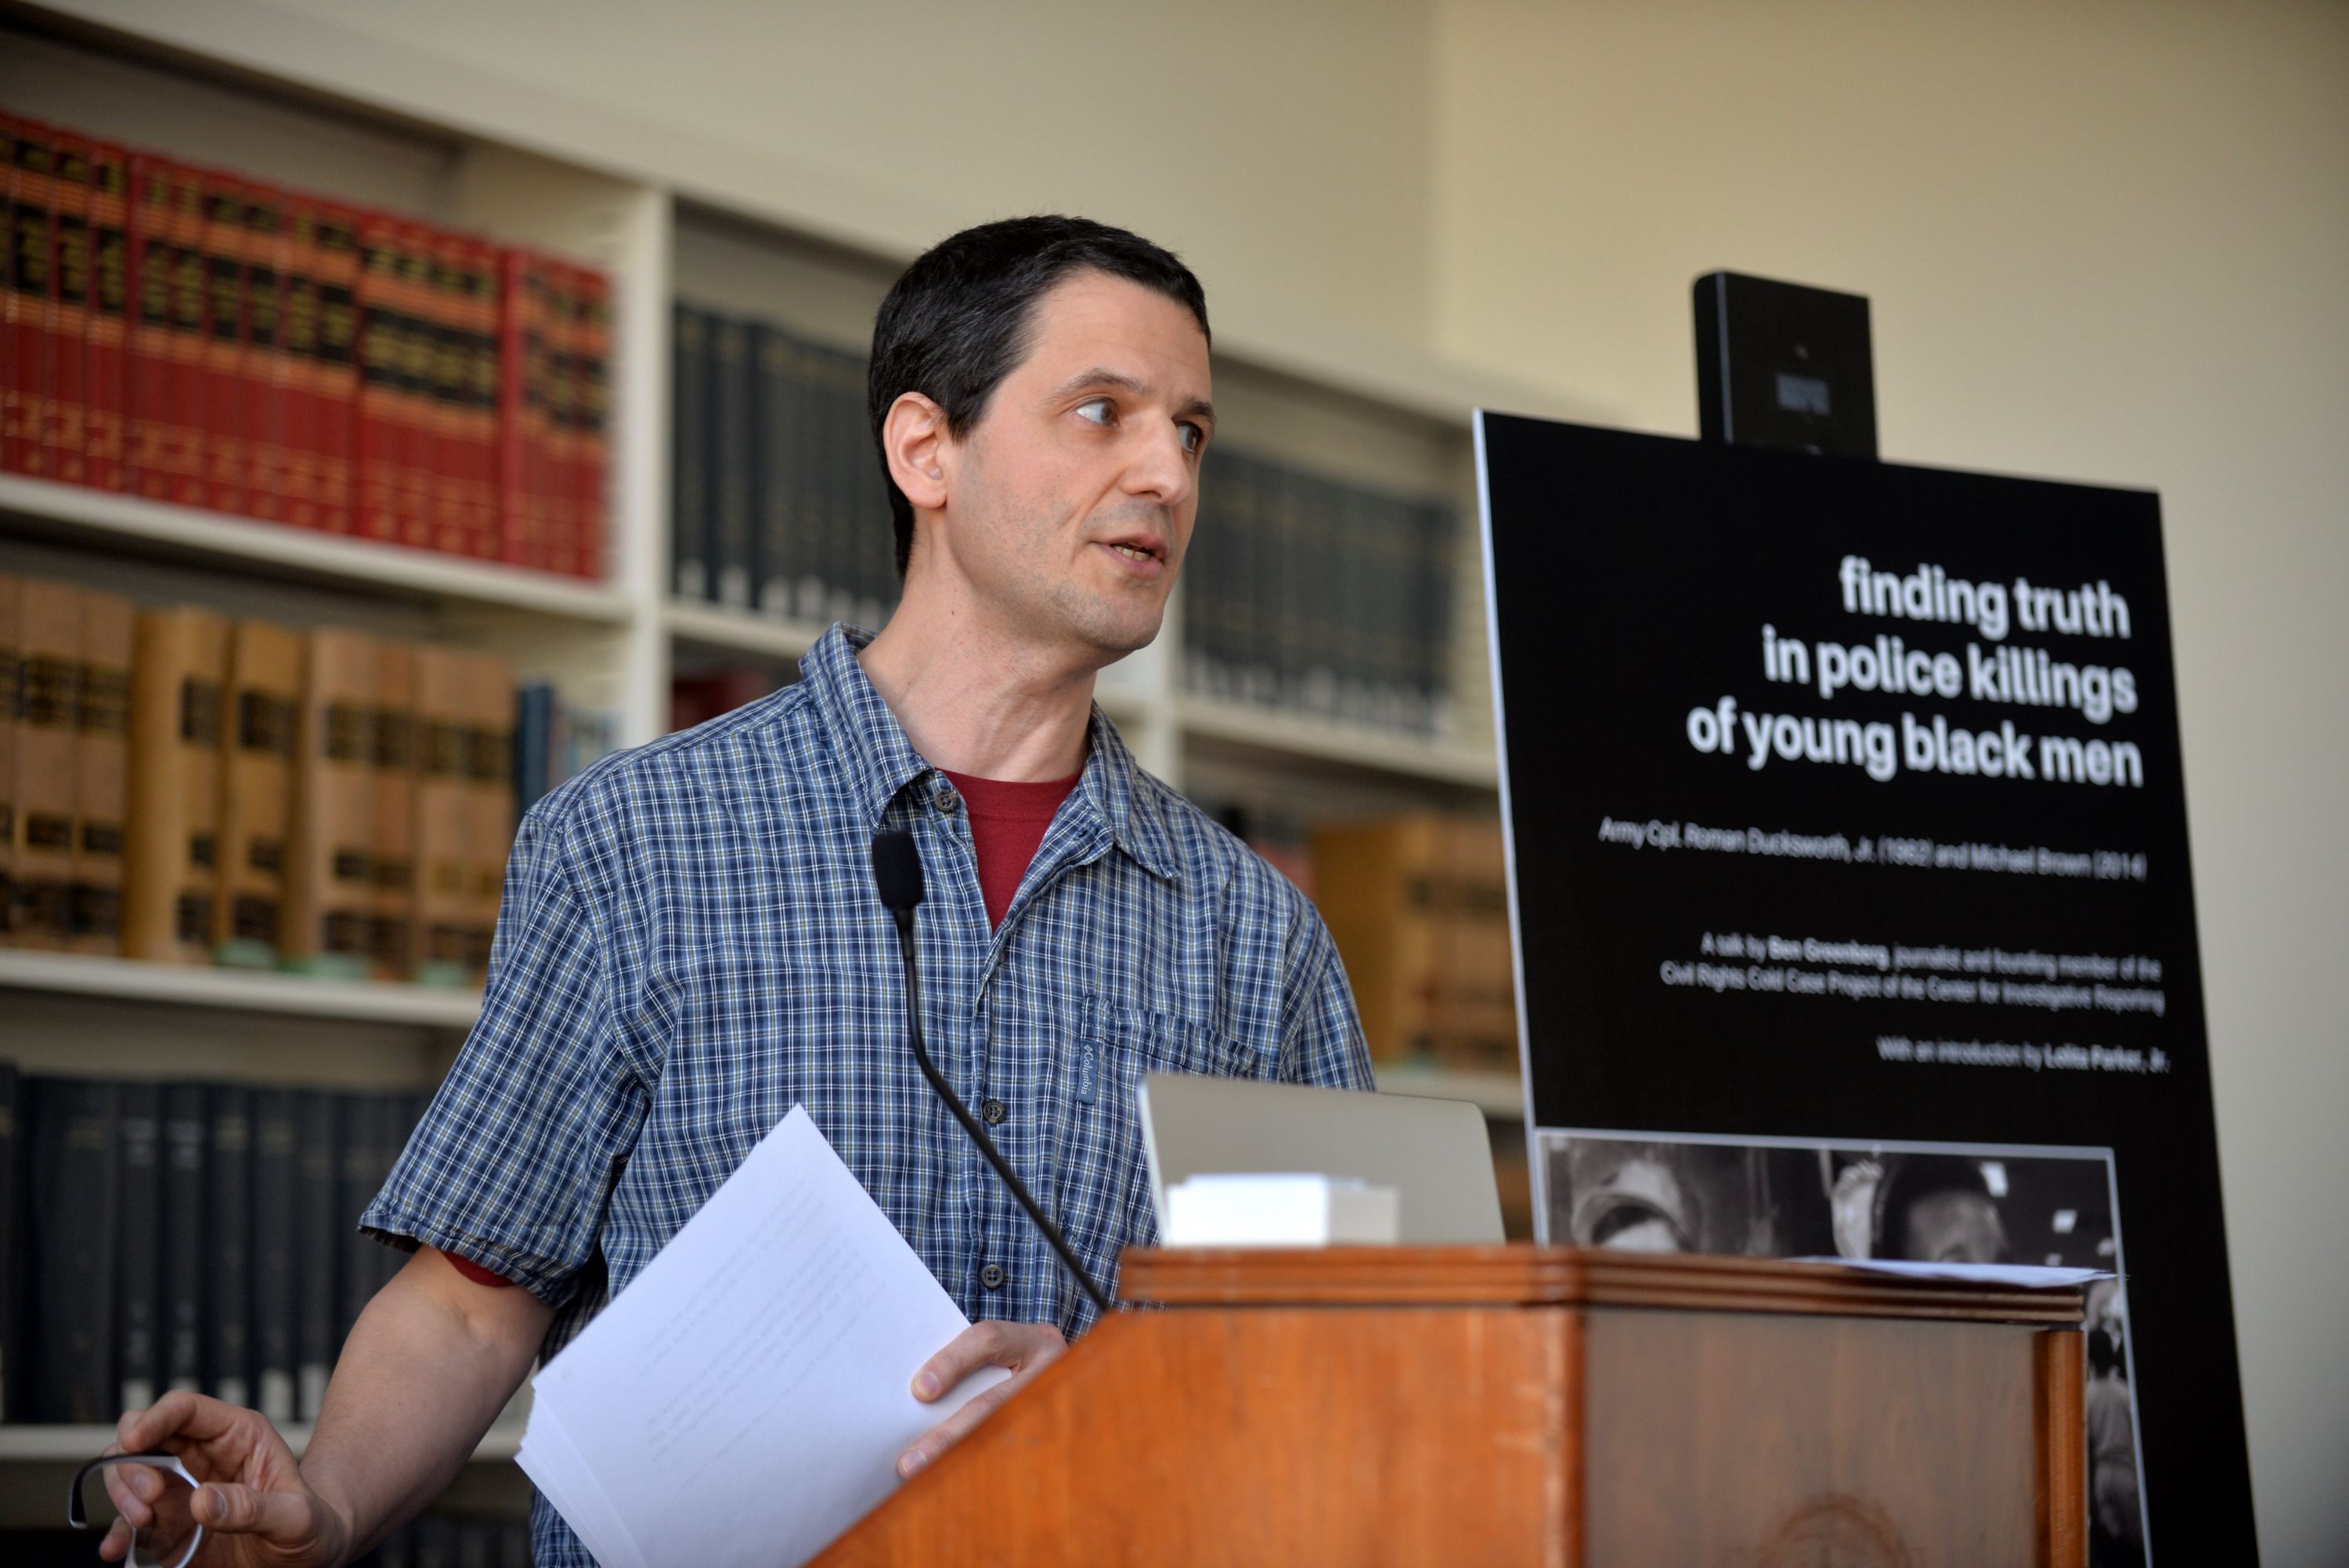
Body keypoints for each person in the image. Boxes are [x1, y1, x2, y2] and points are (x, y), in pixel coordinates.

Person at [97, 215, 1374, 1567]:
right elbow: (473, 1305)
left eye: (1190, 432)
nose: (1164, 473)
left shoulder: (1256, 932)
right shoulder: (633, 840)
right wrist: (329, 1509)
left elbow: (1347, 1365)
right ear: (924, 449)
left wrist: (1123, 1410)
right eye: (1102, 412)